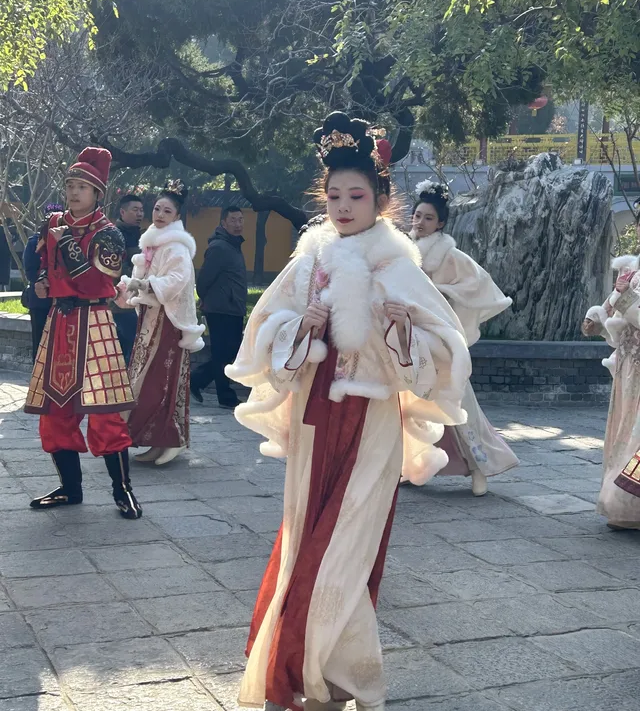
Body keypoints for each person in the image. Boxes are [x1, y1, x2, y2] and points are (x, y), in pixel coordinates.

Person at [226, 112, 471, 711]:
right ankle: (320, 671)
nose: (342, 206)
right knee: (307, 533)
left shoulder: (399, 266)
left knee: (348, 540)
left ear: (382, 199)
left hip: (373, 423)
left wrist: (401, 333)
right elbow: (264, 331)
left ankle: (333, 672)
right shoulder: (310, 259)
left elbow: (447, 350)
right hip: (315, 415)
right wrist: (298, 326)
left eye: (356, 195)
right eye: (333, 195)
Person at [23, 147, 142, 520]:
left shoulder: (110, 234)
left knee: (105, 413)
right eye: (70, 185)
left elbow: (94, 281)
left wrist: (68, 241)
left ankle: (122, 489)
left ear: (97, 193)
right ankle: (70, 489)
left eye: (82, 187)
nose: (73, 193)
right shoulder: (53, 223)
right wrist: (42, 282)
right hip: (59, 323)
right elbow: (43, 262)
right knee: (54, 411)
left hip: (95, 324)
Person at [410, 180, 519, 496]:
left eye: (428, 218)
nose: (420, 222)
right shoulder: (404, 251)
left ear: (441, 223)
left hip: (442, 342)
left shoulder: (450, 254)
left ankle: (479, 467)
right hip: (411, 341)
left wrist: (441, 293)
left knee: (458, 403)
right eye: (417, 215)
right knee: (410, 406)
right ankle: (413, 465)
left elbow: (479, 283)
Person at [122, 182, 205, 466]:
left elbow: (175, 282)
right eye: (157, 208)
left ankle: (173, 438)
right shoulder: (154, 241)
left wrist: (143, 284)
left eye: (166, 210)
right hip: (150, 319)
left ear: (176, 216)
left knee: (163, 380)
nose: (159, 214)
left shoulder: (176, 248)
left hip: (168, 323)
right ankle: (156, 439)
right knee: (145, 380)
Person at [583, 206, 640, 529]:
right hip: (628, 370)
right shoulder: (631, 268)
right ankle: (622, 506)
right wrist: (597, 319)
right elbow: (613, 308)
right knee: (622, 433)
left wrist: (626, 300)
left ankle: (629, 502)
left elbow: (628, 305)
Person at [191, 205, 247, 408]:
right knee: (225, 353)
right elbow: (204, 279)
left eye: (240, 219)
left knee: (228, 353)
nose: (238, 224)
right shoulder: (219, 247)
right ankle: (225, 396)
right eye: (233, 220)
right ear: (223, 222)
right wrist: (205, 300)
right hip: (220, 309)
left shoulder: (232, 245)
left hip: (232, 307)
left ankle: (196, 381)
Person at [23, 203, 63, 362]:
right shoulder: (34, 243)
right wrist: (45, 281)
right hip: (40, 302)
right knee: (39, 344)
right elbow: (30, 272)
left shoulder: (65, 242)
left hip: (61, 302)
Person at [112, 194, 144, 364]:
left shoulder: (142, 236)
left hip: (138, 300)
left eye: (141, 210)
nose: (139, 214)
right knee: (129, 346)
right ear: (123, 212)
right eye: (135, 210)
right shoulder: (114, 236)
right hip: (121, 302)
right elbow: (117, 268)